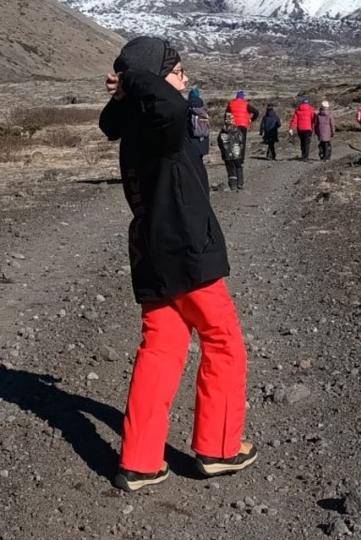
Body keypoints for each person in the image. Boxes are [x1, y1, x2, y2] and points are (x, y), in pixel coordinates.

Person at [99, 36, 256, 492]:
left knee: (162, 348)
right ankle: (219, 448)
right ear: (155, 78)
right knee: (223, 340)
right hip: (185, 250)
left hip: (151, 252)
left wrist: (135, 84)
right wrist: (139, 78)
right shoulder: (160, 122)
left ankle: (141, 461)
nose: (186, 80)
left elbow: (134, 111)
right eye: (179, 70)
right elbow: (168, 105)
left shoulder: (137, 121)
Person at [226, 91, 259, 159]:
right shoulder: (246, 104)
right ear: (243, 97)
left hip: (233, 125)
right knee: (242, 142)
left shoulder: (231, 104)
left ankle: (234, 157)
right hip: (243, 125)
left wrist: (227, 124)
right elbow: (256, 112)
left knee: (233, 141)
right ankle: (241, 159)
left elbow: (227, 115)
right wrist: (251, 119)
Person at [217, 111, 246, 190]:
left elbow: (219, 143)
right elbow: (241, 141)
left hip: (227, 154)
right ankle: (240, 183)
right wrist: (240, 149)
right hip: (237, 152)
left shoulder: (222, 132)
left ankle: (233, 184)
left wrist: (223, 151)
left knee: (230, 169)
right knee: (238, 167)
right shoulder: (237, 131)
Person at [187, 87, 211, 158]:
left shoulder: (188, 108)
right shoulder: (203, 109)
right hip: (203, 139)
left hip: (192, 139)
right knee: (200, 160)